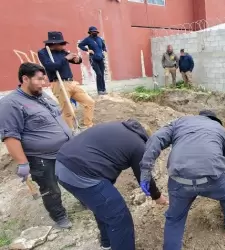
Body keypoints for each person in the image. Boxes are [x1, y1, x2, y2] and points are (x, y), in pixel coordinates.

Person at [55, 119, 168, 250]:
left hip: (61, 164)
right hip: (81, 174)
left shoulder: (118, 127)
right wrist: (157, 196)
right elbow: (145, 179)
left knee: (104, 209)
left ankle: (107, 244)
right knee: (119, 218)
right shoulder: (139, 146)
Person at [140, 110, 225, 250]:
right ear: (215, 120)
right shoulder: (220, 129)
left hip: (180, 181)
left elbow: (156, 138)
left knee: (175, 220)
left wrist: (145, 170)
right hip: (213, 179)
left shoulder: (180, 122)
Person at [0, 62, 73, 229]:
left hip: (65, 151)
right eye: (39, 79)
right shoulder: (11, 103)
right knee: (51, 189)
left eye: (44, 79)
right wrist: (22, 163)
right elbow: (10, 136)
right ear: (25, 78)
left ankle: (85, 201)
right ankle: (59, 217)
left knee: (74, 178)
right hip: (42, 158)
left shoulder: (42, 95)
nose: (43, 83)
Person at [38, 31, 95, 130]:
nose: (64, 45)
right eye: (62, 43)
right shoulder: (43, 53)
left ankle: (88, 126)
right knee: (67, 112)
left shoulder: (62, 52)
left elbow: (75, 60)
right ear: (54, 44)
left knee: (89, 102)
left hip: (72, 82)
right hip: (58, 84)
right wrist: (65, 58)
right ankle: (70, 133)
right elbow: (50, 67)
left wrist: (78, 59)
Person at [78, 26, 108, 95]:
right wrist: (88, 50)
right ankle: (100, 90)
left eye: (95, 31)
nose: (94, 33)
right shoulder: (88, 39)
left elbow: (103, 46)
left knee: (102, 74)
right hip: (93, 59)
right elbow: (80, 45)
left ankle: (104, 89)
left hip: (101, 59)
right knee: (99, 74)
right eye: (93, 32)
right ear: (90, 32)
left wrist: (104, 50)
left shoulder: (99, 39)